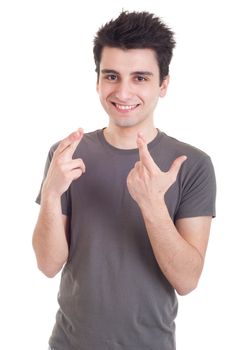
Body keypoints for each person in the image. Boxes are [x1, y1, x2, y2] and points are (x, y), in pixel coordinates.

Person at [32, 11, 216, 350]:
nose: (124, 91)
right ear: (98, 81)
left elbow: (187, 279)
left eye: (141, 78)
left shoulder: (191, 165)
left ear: (164, 84)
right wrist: (51, 193)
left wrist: (152, 205)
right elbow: (47, 264)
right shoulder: (65, 154)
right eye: (112, 76)